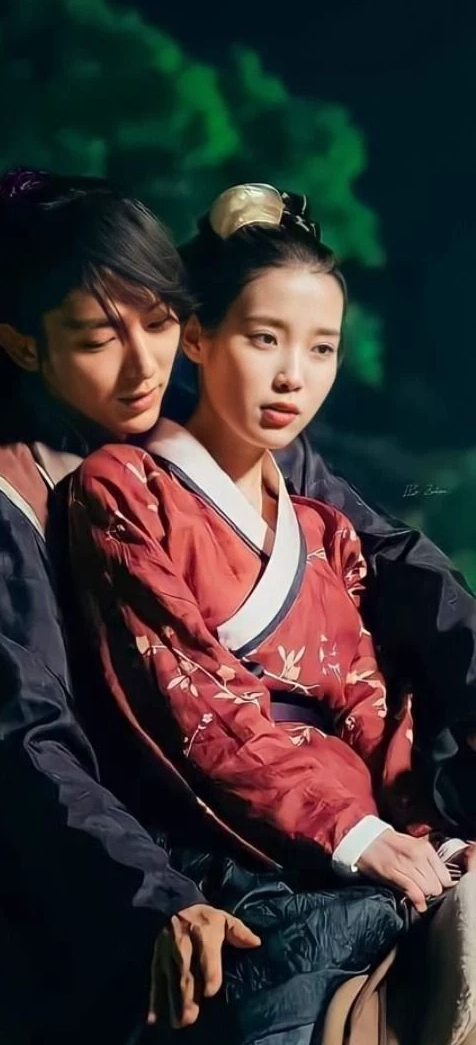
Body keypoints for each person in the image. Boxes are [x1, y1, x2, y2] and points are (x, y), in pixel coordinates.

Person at [0, 170, 475, 1045]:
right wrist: (158, 902)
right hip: (93, 864)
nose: (144, 365)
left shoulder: (227, 443)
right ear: (22, 345)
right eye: (96, 337)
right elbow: (25, 748)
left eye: (157, 323)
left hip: (281, 812)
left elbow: (391, 562)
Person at [68, 182, 476, 1043]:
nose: (295, 375)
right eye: (265, 338)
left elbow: (368, 704)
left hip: (366, 833)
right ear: (198, 336)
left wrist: (419, 832)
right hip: (230, 838)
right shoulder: (124, 488)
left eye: (322, 348)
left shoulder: (321, 527)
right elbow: (191, 700)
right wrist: (351, 834)